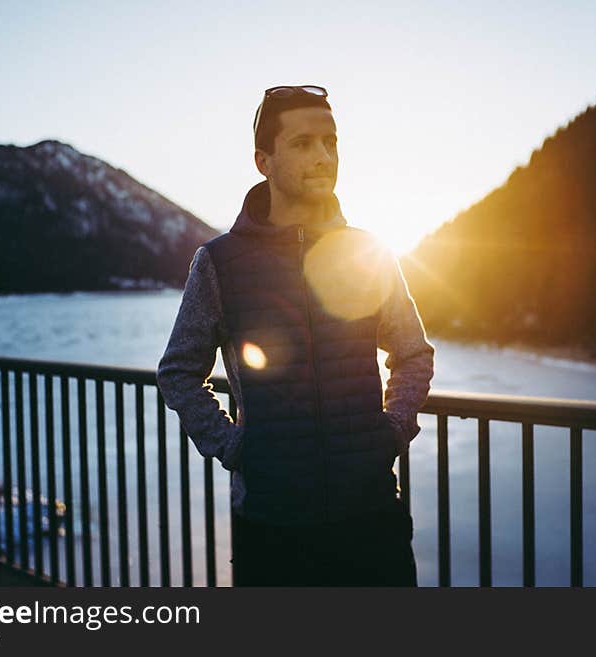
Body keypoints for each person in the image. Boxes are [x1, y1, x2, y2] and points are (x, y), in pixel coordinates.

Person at [156, 85, 435, 586]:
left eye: (331, 142)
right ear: (264, 160)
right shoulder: (220, 262)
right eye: (304, 143)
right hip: (272, 525)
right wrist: (235, 447)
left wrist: (392, 430)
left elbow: (412, 353)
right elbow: (178, 371)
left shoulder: (369, 252)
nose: (323, 157)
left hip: (370, 518)